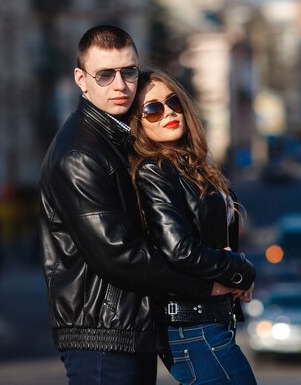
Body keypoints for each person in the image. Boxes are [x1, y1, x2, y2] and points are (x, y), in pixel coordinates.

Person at [38, 25, 255, 385]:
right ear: (81, 79)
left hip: (129, 326)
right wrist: (212, 283)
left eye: (128, 71)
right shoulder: (81, 153)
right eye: (105, 74)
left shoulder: (118, 139)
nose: (120, 85)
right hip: (102, 335)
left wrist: (224, 268)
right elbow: (120, 255)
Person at [129, 69, 257, 385]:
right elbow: (179, 249)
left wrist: (234, 272)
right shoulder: (154, 171)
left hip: (209, 322)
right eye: (153, 109)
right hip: (191, 327)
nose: (169, 113)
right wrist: (238, 269)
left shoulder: (191, 166)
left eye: (174, 102)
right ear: (138, 122)